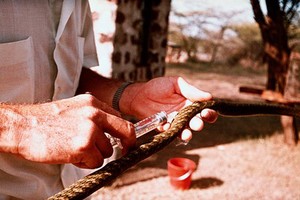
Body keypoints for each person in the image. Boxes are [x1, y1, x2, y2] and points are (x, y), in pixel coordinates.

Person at [0, 1, 218, 199]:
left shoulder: (76, 4)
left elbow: (66, 74)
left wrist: (130, 95)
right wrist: (22, 127)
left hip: (71, 187)